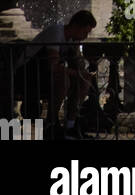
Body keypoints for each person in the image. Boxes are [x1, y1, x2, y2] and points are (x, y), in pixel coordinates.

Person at [14, 10, 97, 138]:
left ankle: (70, 125)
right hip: (28, 74)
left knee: (83, 81)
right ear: (76, 26)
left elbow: (78, 67)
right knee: (63, 79)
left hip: (44, 75)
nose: (86, 36)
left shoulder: (72, 40)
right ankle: (51, 123)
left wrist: (82, 72)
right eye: (85, 32)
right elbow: (53, 66)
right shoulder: (56, 32)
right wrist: (78, 73)